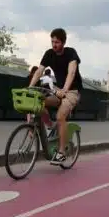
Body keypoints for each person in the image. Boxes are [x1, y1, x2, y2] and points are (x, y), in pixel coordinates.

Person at [28, 28, 83, 165]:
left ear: (63, 42)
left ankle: (62, 152)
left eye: (57, 42)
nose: (54, 45)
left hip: (72, 91)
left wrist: (65, 89)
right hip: (58, 90)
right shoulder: (49, 54)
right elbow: (39, 71)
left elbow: (71, 72)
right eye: (52, 41)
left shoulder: (71, 53)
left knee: (60, 116)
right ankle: (50, 126)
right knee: (39, 102)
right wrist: (30, 87)